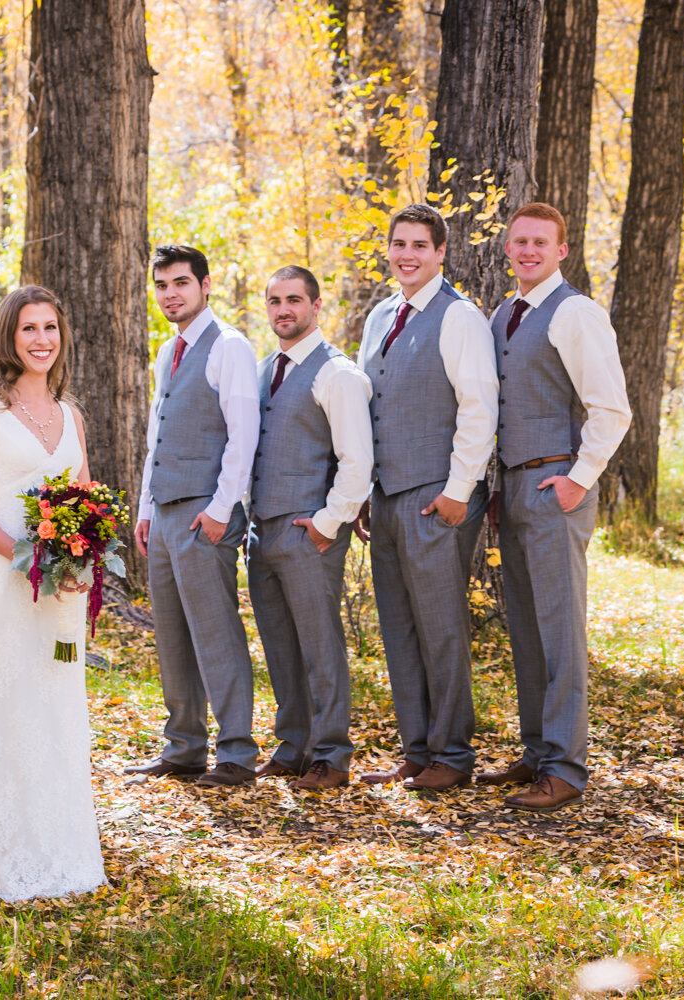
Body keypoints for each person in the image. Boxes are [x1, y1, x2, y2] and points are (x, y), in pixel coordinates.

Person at [0, 285, 106, 900]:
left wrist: (79, 557)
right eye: (28, 329)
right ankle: (8, 853)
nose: (42, 340)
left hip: (63, 589)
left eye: (50, 328)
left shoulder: (72, 416)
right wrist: (26, 556)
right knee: (13, 702)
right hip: (10, 584)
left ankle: (64, 846)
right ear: (9, 338)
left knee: (60, 702)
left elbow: (88, 501)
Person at [478, 202, 631, 811]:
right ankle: (538, 749)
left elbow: (612, 410)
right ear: (508, 249)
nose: (529, 251)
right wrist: (494, 487)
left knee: (560, 629)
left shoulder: (577, 315)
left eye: (541, 242)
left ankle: (565, 768)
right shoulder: (502, 316)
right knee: (525, 625)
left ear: (562, 251)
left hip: (556, 487)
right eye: (520, 242)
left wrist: (578, 479)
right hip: (513, 488)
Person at [355, 205, 498, 793]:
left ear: (441, 252)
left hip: (437, 496)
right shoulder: (380, 315)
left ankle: (453, 753)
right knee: (399, 626)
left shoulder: (459, 317)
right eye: (399, 244)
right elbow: (370, 405)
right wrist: (365, 489)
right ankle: (416, 749)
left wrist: (458, 491)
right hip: (386, 497)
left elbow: (479, 408)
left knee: (440, 627)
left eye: (420, 244)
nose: (407, 254)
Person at [126, 245, 261, 788]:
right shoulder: (168, 351)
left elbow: (242, 435)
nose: (170, 294)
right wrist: (144, 509)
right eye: (161, 285)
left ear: (205, 285)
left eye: (180, 283)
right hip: (163, 514)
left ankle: (236, 753)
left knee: (215, 632)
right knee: (173, 635)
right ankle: (183, 748)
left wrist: (220, 509)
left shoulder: (228, 346)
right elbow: (157, 435)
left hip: (205, 513)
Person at [246, 266, 373, 790]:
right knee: (279, 642)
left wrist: (326, 524)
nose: (283, 310)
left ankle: (331, 754)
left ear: (316, 306)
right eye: (274, 300)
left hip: (308, 531)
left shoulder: (336, 373)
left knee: (319, 644)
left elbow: (357, 460)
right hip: (262, 529)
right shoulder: (261, 370)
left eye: (294, 299)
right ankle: (293, 744)